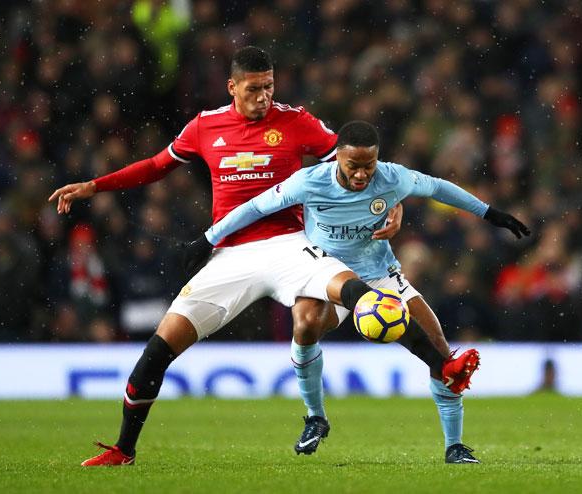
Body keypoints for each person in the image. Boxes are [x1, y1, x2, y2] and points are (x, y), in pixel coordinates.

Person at [49, 46, 433, 466]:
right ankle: (124, 449)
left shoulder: (296, 121)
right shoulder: (205, 126)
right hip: (229, 255)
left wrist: (393, 203)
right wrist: (95, 186)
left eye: (269, 86)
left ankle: (438, 362)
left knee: (357, 294)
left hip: (290, 243)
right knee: (158, 350)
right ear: (232, 87)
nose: (264, 96)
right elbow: (157, 165)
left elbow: (357, 165)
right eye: (254, 88)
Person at [193, 120, 531, 463]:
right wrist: (209, 239)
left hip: (380, 273)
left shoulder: (392, 176)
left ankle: (454, 446)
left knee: (441, 352)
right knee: (305, 323)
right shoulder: (308, 182)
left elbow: (438, 187)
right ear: (337, 157)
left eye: (368, 165)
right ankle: (315, 417)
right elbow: (255, 208)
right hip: (325, 270)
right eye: (352, 165)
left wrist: (490, 213)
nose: (360, 174)